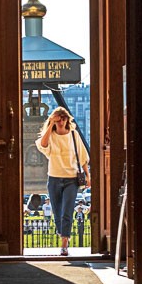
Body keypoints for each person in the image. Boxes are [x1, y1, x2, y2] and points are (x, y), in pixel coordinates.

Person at [35, 106, 90, 256]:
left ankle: (64, 243)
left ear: (67, 119)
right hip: (54, 178)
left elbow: (82, 156)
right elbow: (43, 145)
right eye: (58, 119)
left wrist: (87, 175)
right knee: (57, 211)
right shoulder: (51, 135)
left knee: (67, 210)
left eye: (63, 118)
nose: (61, 121)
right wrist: (51, 123)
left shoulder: (73, 134)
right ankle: (63, 233)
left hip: (71, 179)